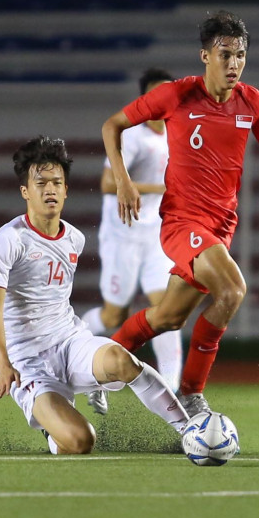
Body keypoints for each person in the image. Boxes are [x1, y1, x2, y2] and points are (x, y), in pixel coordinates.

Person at [102, 11, 259, 417]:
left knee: (169, 317)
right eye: (225, 55)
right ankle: (191, 393)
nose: (234, 64)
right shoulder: (176, 95)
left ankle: (98, 367)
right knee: (233, 290)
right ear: (205, 56)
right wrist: (123, 180)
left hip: (221, 228)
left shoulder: (253, 102)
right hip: (181, 223)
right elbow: (112, 126)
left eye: (240, 55)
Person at [0, 136, 189, 455]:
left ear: (66, 190)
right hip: (26, 359)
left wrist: (93, 367)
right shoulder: (8, 240)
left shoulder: (74, 239)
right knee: (81, 442)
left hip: (69, 341)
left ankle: (189, 431)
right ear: (25, 191)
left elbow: (56, 302)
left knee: (122, 360)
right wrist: (6, 364)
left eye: (56, 182)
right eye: (41, 183)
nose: (50, 189)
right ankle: (54, 434)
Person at [81, 68, 182, 416]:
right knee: (115, 314)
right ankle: (73, 346)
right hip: (122, 234)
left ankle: (174, 391)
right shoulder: (133, 137)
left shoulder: (177, 134)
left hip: (156, 234)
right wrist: (162, 189)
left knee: (168, 308)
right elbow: (109, 183)